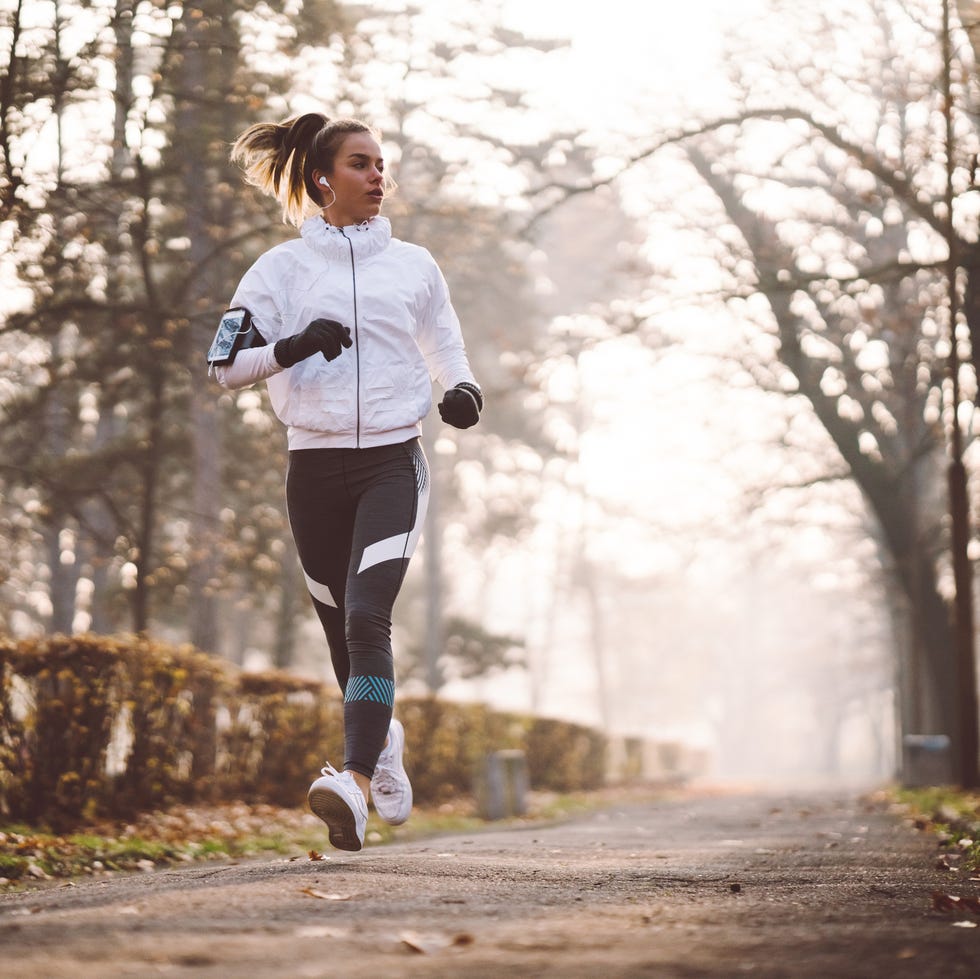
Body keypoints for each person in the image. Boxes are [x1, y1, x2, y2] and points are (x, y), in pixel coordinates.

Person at [213, 112, 483, 851]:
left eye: (380, 163)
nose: (377, 175)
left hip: (392, 463)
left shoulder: (414, 265)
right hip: (312, 470)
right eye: (360, 163)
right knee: (340, 632)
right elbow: (223, 367)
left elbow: (446, 345)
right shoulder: (278, 271)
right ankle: (383, 737)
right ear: (322, 179)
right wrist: (293, 346)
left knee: (368, 616)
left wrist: (462, 389)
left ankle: (354, 784)